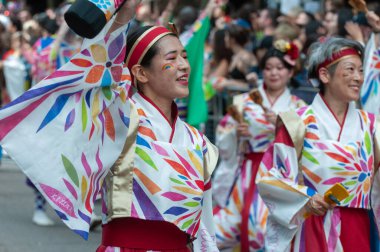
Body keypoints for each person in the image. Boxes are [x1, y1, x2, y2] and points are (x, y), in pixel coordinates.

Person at [0, 0, 219, 251]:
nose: (183, 65)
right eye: (172, 58)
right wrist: (122, 18)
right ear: (140, 72)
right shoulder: (121, 119)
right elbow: (102, 70)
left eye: (184, 56)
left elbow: (205, 227)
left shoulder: (197, 142)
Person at [256, 37, 380, 251]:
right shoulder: (297, 123)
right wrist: (306, 199)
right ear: (324, 74)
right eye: (350, 69)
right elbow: (270, 177)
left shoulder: (371, 125)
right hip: (312, 227)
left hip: (358, 227)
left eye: (360, 71)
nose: (358, 78)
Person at [213, 39, 306, 251]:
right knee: (231, 226)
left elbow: (305, 143)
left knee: (265, 229)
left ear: (290, 72)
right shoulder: (243, 102)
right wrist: (236, 135)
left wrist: (283, 127)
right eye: (268, 68)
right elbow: (223, 134)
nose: (274, 73)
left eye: (280, 68)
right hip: (249, 171)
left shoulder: (299, 108)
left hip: (280, 174)